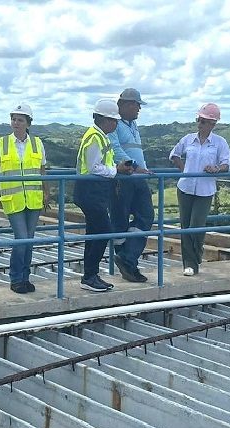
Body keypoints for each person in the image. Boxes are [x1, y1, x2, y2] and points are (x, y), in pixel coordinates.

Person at [75, 98, 137, 292]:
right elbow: (94, 167)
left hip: (94, 191)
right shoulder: (95, 137)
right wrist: (116, 170)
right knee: (102, 231)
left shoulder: (100, 136)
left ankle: (91, 276)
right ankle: (90, 276)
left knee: (95, 233)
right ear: (105, 120)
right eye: (114, 120)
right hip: (90, 190)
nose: (116, 123)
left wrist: (116, 169)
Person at [0, 103, 46, 294]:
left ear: (28, 123)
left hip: (34, 198)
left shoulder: (37, 143)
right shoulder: (2, 143)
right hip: (13, 199)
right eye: (13, 119)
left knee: (28, 240)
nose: (15, 123)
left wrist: (46, 193)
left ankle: (25, 277)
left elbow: (42, 170)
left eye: (20, 120)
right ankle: (15, 278)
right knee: (21, 238)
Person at [169, 103, 230, 276]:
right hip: (185, 187)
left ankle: (195, 257)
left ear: (213, 124)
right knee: (186, 226)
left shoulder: (220, 142)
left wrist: (216, 168)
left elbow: (227, 164)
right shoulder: (188, 139)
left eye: (204, 122)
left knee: (197, 226)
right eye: (199, 120)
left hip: (205, 190)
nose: (200, 124)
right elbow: (174, 154)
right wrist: (184, 170)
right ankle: (189, 264)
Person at [108, 88, 153, 283]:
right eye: (137, 105)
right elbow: (115, 149)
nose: (139, 109)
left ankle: (127, 259)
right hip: (123, 178)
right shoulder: (114, 124)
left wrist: (142, 168)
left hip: (137, 178)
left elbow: (134, 151)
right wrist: (133, 166)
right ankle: (129, 265)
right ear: (126, 105)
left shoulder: (133, 125)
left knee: (146, 216)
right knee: (120, 222)